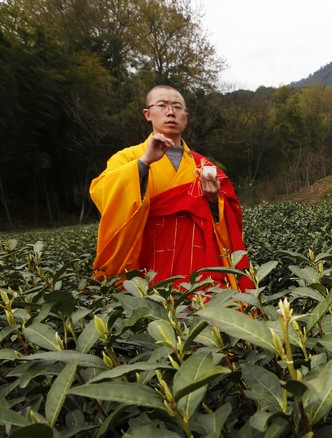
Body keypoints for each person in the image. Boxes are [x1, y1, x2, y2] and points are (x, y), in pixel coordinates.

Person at [90, 85, 253, 291]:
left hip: (199, 265)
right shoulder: (127, 158)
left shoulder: (202, 165)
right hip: (146, 264)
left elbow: (230, 217)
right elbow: (102, 193)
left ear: (186, 118)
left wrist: (214, 200)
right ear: (147, 114)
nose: (170, 112)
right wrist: (143, 163)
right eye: (162, 105)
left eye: (177, 107)